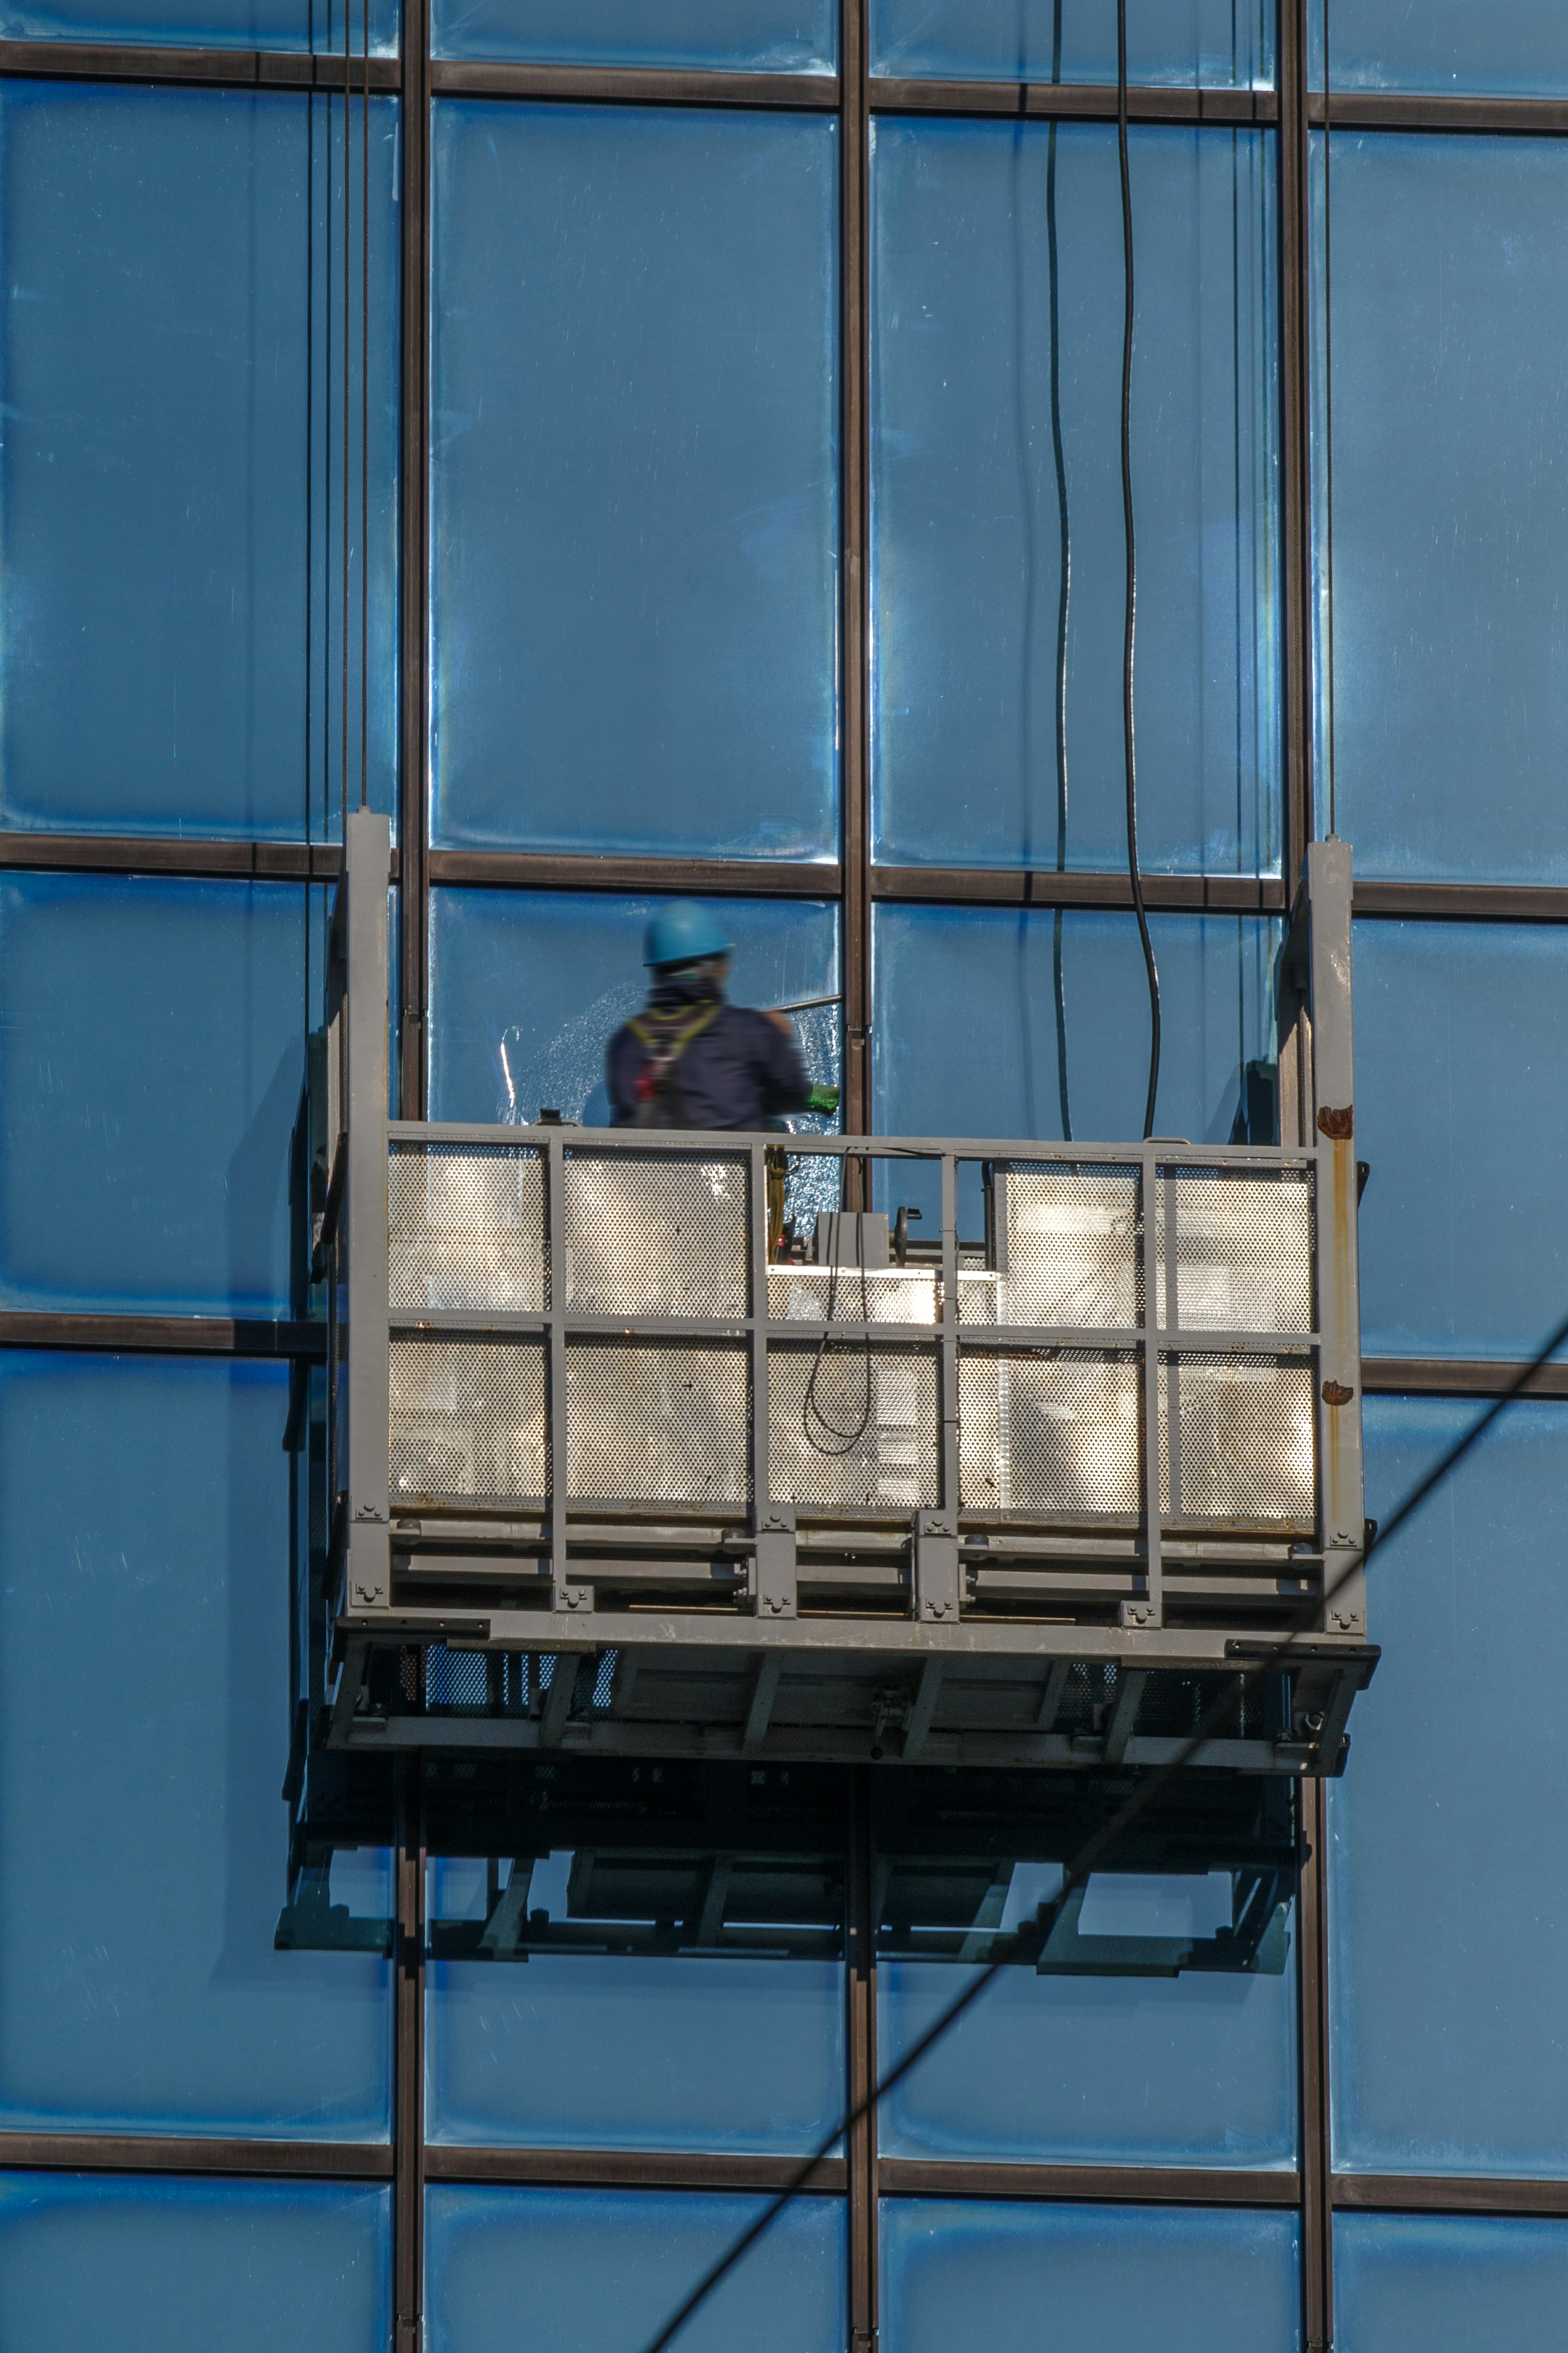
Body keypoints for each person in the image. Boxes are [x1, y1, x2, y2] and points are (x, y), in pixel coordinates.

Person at [606, 902, 815, 1130]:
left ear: (657, 971)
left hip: (640, 1166)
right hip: (732, 1165)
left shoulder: (625, 1042)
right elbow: (794, 1094)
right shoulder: (749, 1031)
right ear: (717, 968)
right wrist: (779, 1037)